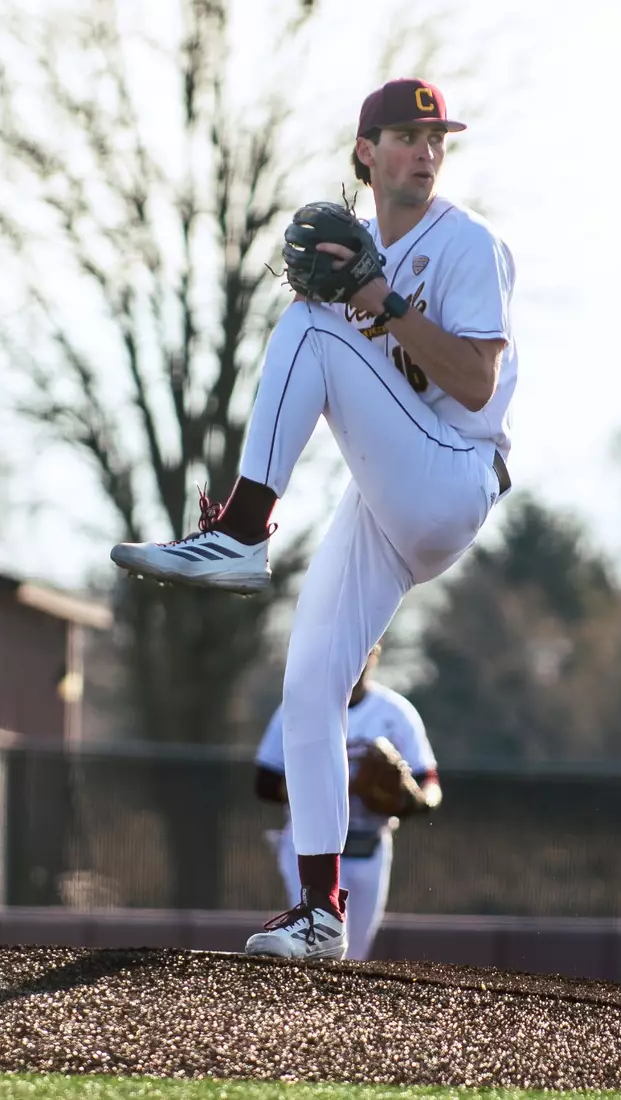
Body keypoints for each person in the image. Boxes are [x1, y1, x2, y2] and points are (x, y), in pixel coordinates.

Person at [111, 77, 516, 959]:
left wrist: (382, 303)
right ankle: (320, 911)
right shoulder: (360, 243)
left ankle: (244, 530)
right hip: (387, 494)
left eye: (436, 135)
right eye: (407, 134)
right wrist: (364, 291)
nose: (426, 148)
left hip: (452, 475)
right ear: (364, 152)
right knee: (308, 687)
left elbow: (478, 383)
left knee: (309, 325)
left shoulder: (469, 243)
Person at [253, 644, 440, 961]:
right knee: (311, 940)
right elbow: (265, 783)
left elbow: (430, 781)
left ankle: (338, 1009)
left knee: (356, 951)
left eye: (363, 652)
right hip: (311, 843)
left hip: (369, 844)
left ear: (375, 656)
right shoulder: (299, 707)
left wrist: (417, 801)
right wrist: (330, 786)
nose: (354, 661)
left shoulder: (395, 711)